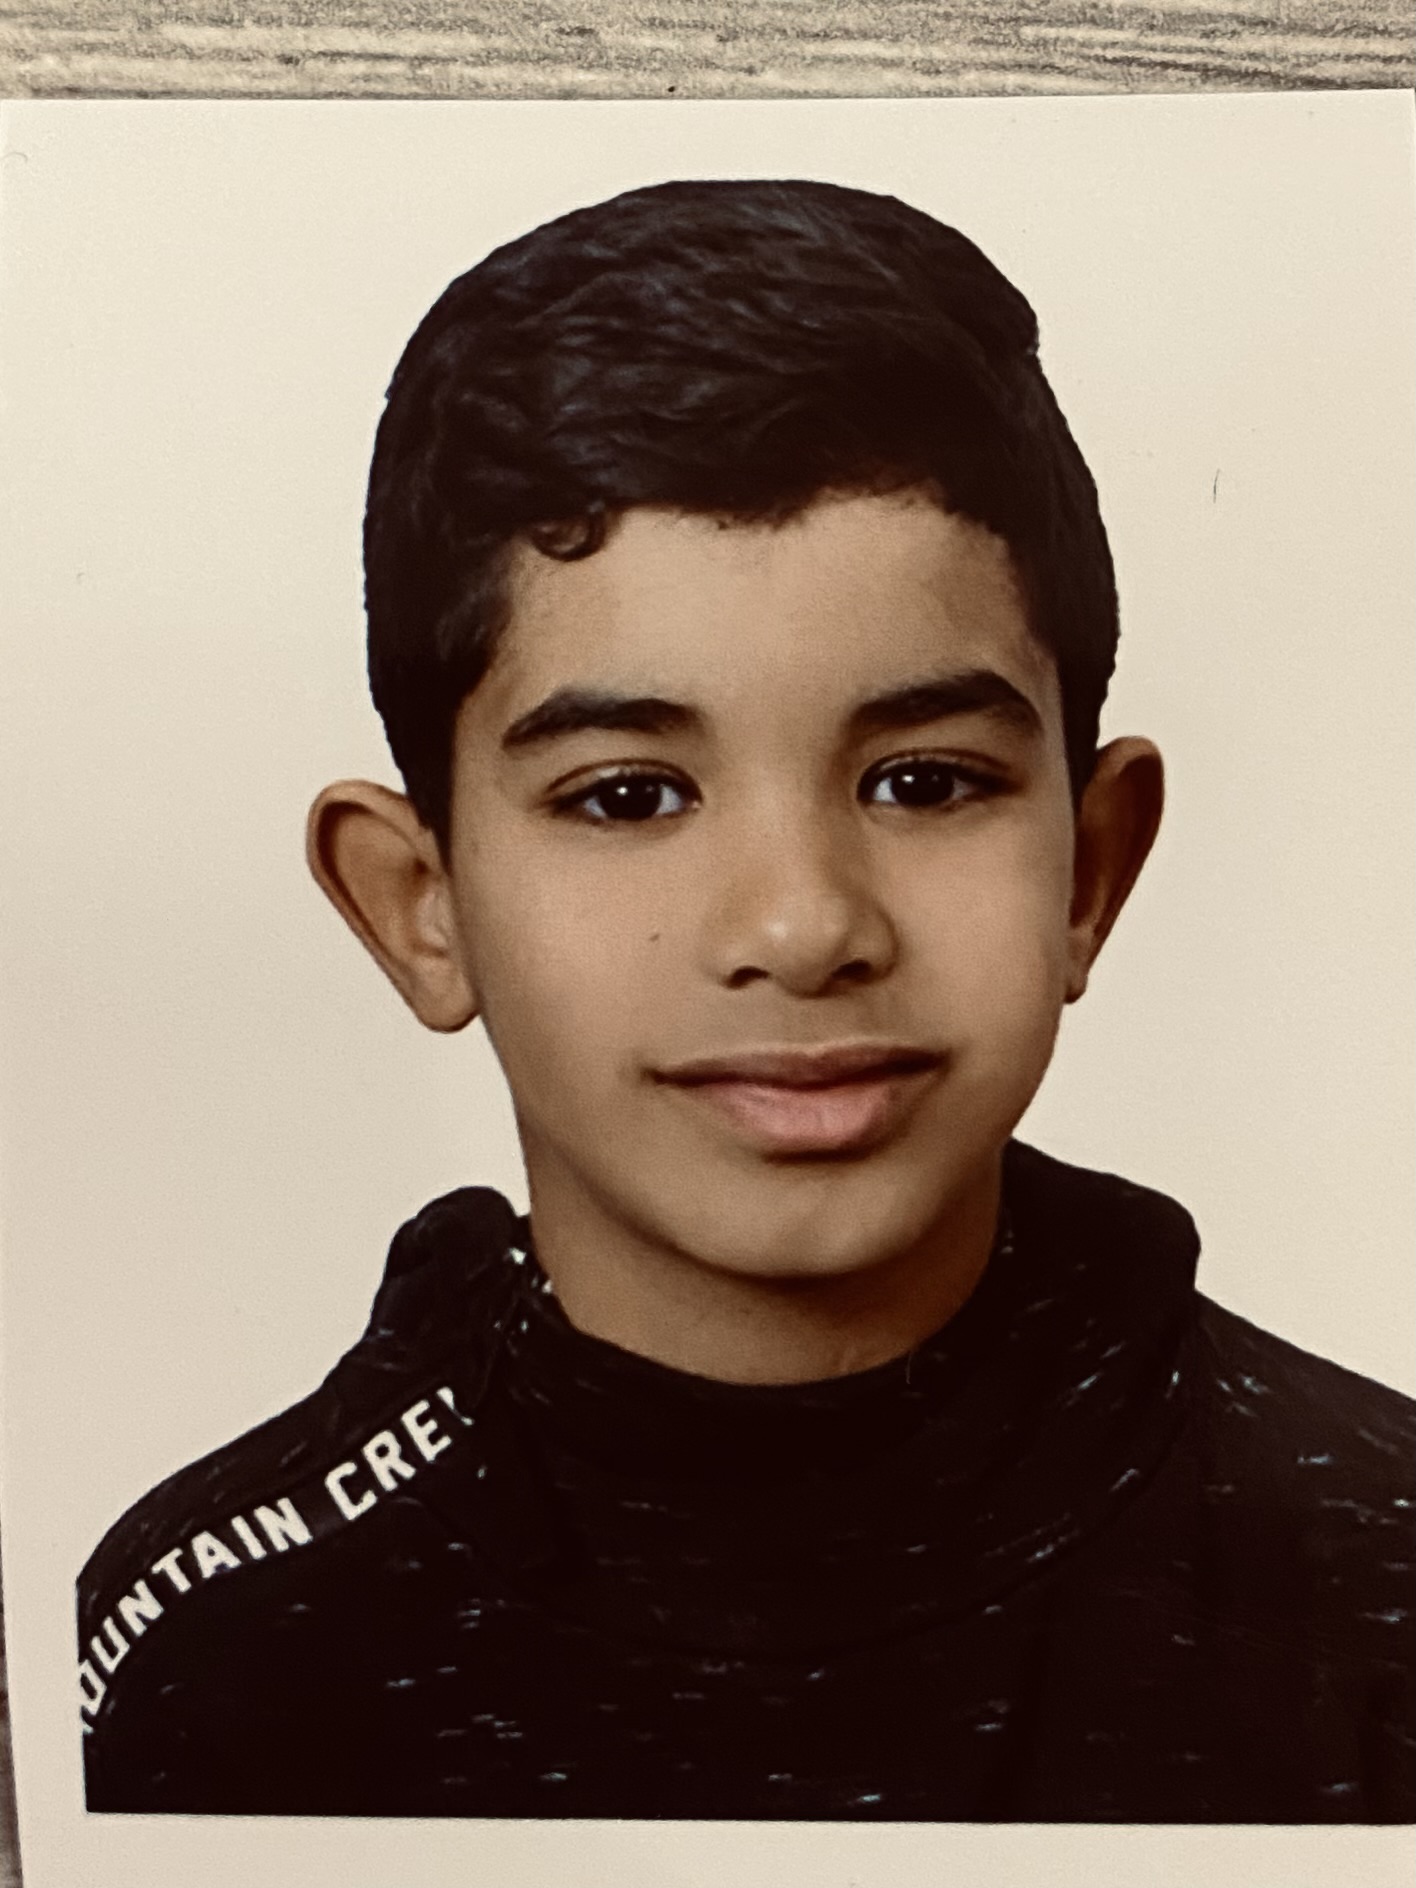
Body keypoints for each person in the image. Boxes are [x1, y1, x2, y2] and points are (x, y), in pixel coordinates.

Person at [76, 177, 1414, 1822]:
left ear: (1090, 869)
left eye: (925, 781)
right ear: (421, 907)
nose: (801, 926)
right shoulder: (199, 1660)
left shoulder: (1380, 1585)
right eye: (628, 796)